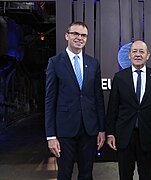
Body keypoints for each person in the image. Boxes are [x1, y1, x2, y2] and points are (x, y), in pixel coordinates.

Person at [45, 21, 105, 180]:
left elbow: (98, 97)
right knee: (64, 174)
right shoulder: (55, 62)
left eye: (83, 35)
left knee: (86, 174)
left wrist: (101, 129)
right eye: (75, 34)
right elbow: (50, 100)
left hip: (89, 129)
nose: (80, 38)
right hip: (64, 130)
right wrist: (51, 136)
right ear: (67, 36)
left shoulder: (93, 63)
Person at [106, 40, 151, 180]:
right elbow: (112, 108)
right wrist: (110, 133)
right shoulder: (119, 77)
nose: (138, 54)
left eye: (141, 51)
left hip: (148, 135)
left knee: (146, 175)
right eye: (134, 51)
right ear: (129, 55)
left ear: (148, 55)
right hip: (124, 135)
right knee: (125, 176)